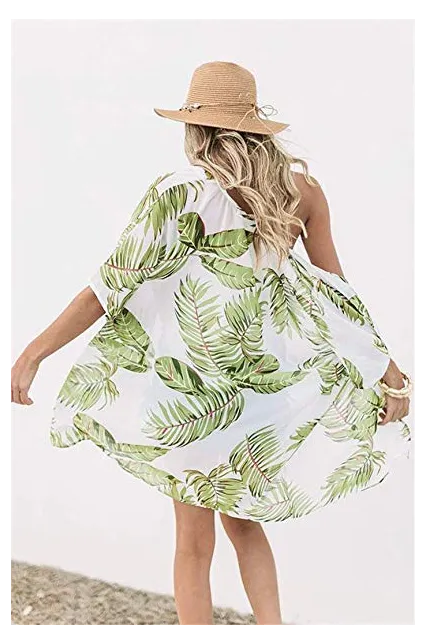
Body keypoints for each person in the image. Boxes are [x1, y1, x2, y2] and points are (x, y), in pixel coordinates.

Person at [9, 61, 412, 626]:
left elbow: (110, 285)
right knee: (245, 525)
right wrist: (388, 371)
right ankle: (272, 632)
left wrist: (36, 351)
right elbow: (336, 295)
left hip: (193, 391)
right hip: (259, 389)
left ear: (195, 127)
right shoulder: (302, 192)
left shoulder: (179, 192)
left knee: (193, 543)